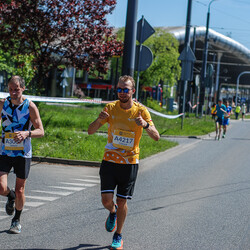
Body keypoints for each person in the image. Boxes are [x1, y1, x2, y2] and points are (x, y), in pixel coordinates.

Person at [88, 75, 160, 249]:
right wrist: (99, 119)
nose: (121, 92)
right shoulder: (110, 108)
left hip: (129, 163)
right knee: (106, 201)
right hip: (110, 160)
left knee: (122, 201)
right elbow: (90, 131)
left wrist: (145, 125)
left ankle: (118, 235)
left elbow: (156, 137)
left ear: (132, 91)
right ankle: (112, 212)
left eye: (125, 89)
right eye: (119, 89)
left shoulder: (141, 111)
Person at [0, 76, 44, 234]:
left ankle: (16, 220)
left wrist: (27, 133)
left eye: (16, 89)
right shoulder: (3, 103)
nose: (13, 92)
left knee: (20, 190)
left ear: (23, 89)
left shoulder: (30, 106)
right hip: (4, 151)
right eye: (10, 89)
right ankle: (10, 196)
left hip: (22, 153)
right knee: (1, 187)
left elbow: (41, 131)